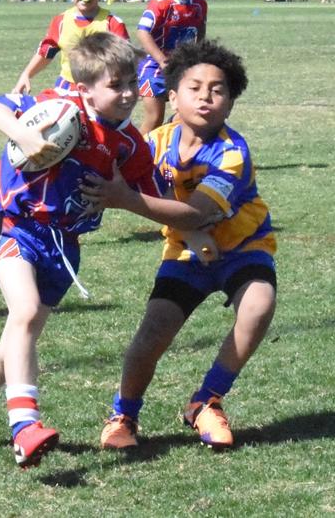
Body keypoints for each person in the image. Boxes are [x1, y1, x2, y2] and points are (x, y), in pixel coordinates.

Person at [0, 32, 167, 468]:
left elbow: (154, 196)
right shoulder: (58, 107)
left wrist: (128, 198)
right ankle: (24, 426)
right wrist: (24, 135)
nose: (128, 94)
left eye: (132, 82)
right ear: (85, 87)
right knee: (26, 313)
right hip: (16, 227)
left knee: (20, 336)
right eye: (116, 85)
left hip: (65, 247)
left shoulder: (128, 143)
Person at [80, 39, 277, 450]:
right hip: (186, 252)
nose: (206, 96)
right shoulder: (153, 143)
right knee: (151, 336)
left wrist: (127, 199)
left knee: (258, 305)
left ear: (231, 103)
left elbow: (197, 214)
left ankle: (206, 400)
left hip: (243, 246)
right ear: (172, 95)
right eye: (195, 87)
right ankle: (124, 415)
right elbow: (112, 167)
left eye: (218, 89)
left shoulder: (231, 153)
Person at [13, 0, 129, 96]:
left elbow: (126, 61)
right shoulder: (61, 21)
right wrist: (26, 74)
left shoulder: (112, 23)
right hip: (66, 89)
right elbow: (45, 52)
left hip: (101, 92)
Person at [137, 0, 207, 135]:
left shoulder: (200, 4)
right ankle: (136, 157)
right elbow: (142, 32)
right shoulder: (160, 3)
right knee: (154, 119)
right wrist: (161, 60)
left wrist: (196, 56)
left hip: (182, 67)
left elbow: (200, 29)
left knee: (188, 115)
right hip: (154, 69)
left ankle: (166, 144)